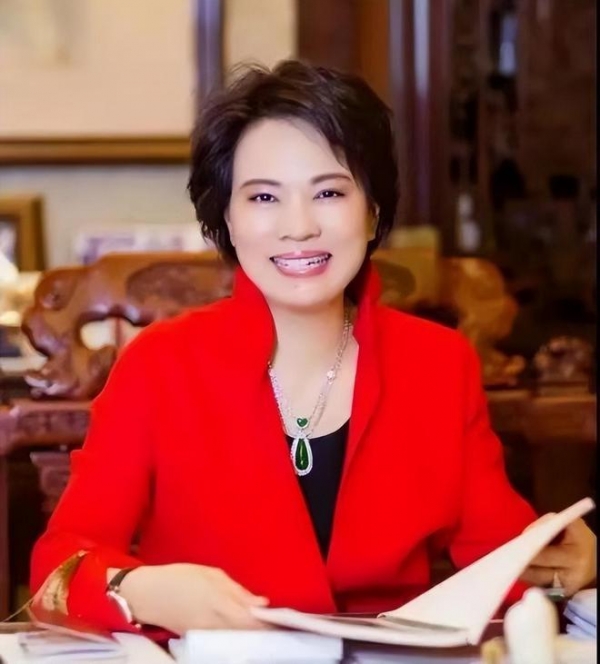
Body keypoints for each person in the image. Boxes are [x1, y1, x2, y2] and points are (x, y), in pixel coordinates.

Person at [29, 60, 596, 638]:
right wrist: (138, 591)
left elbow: (504, 566)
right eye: (263, 197)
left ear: (372, 212)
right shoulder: (159, 365)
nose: (298, 227)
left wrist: (563, 568)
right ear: (227, 219)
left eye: (328, 192)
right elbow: (57, 569)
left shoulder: (438, 364)